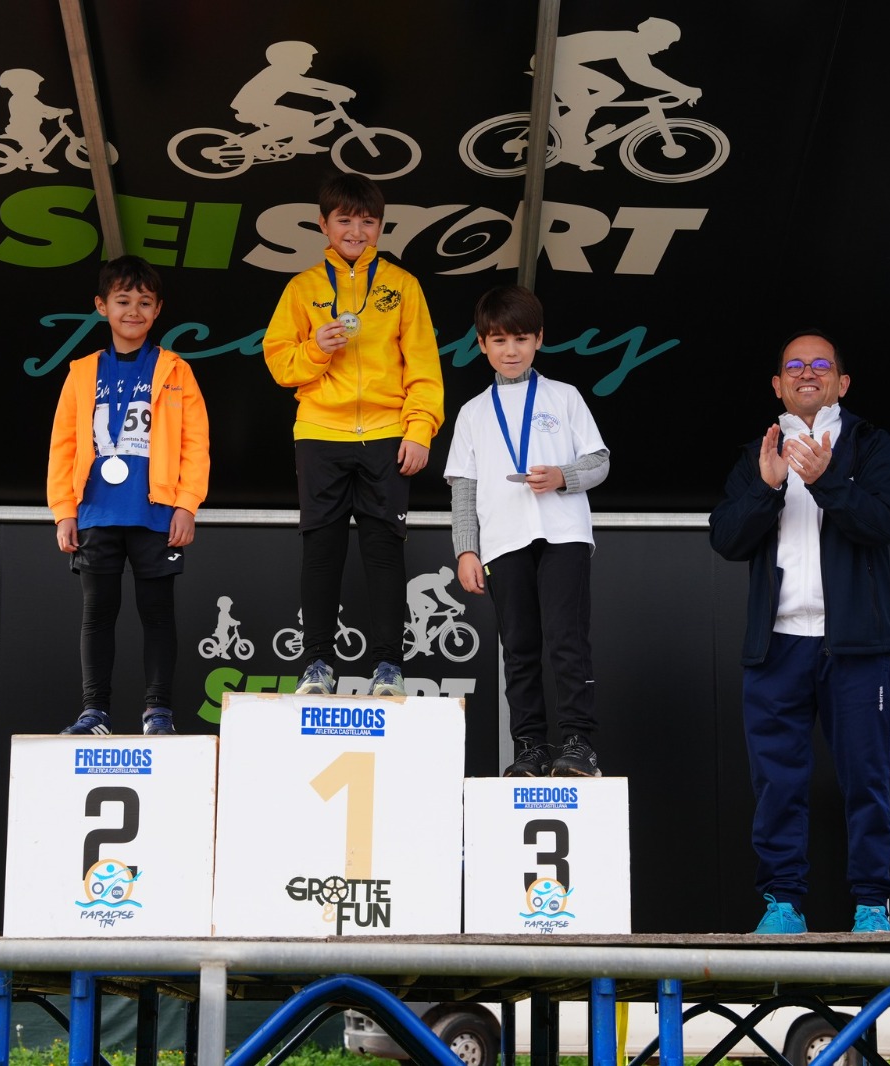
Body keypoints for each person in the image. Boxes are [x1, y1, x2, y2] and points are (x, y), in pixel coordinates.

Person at [707, 330, 890, 934]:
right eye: (794, 365)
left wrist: (826, 480)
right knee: (777, 784)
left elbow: (885, 522)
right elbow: (726, 538)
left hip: (855, 645)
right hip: (776, 645)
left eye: (821, 364)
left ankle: (872, 904)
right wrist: (767, 486)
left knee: (867, 778)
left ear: (842, 382)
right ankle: (783, 903)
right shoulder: (758, 453)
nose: (807, 372)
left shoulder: (871, 445)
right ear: (778, 385)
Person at [263, 173, 444, 697]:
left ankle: (389, 666)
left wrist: (419, 430)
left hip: (387, 434)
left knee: (384, 552)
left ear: (380, 226)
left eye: (367, 221)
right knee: (321, 551)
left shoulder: (402, 285)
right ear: (323, 224)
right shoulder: (302, 288)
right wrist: (316, 348)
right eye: (344, 220)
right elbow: (279, 363)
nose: (356, 231)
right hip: (320, 433)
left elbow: (424, 369)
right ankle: (317, 664)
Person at [444, 285, 609, 777]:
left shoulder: (564, 396)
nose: (510, 350)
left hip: (563, 534)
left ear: (539, 339)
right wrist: (466, 551)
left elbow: (600, 461)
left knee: (566, 641)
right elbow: (464, 488)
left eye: (520, 339)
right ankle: (530, 747)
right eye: (499, 340)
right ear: (481, 344)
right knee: (517, 649)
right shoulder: (473, 411)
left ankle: (579, 743)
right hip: (502, 541)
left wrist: (563, 476)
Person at [50, 256, 210, 737]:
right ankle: (94, 712)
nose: (133, 311)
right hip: (95, 509)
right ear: (102, 306)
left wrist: (187, 503)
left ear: (158, 309)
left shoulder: (176, 370)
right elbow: (63, 445)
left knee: (157, 614)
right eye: (123, 301)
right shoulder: (82, 372)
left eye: (144, 302)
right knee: (97, 614)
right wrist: (63, 510)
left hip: (156, 511)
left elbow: (196, 444)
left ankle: (158, 712)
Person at [546, 17, 701, 171]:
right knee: (599, 97)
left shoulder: (631, 40)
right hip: (552, 60)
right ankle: (565, 134)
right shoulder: (630, 41)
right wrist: (683, 89)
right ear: (654, 35)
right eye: (666, 41)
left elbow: (644, 74)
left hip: (555, 58)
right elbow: (642, 75)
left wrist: (680, 89)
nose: (666, 47)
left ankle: (569, 139)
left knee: (599, 98)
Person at [229, 41, 355, 152]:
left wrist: (337, 89)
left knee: (296, 123)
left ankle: (257, 143)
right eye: (307, 60)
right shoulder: (278, 72)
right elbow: (305, 87)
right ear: (293, 59)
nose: (310, 65)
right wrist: (329, 93)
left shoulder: (282, 72)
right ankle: (297, 144)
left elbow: (309, 83)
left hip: (257, 107)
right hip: (253, 108)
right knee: (305, 119)